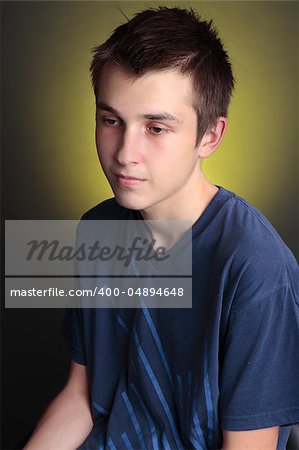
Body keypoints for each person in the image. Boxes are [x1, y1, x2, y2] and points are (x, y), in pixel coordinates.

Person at [24, 6, 299, 450]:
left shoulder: (257, 268)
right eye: (111, 121)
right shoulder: (97, 230)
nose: (125, 153)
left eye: (156, 128)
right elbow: (81, 396)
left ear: (209, 136)